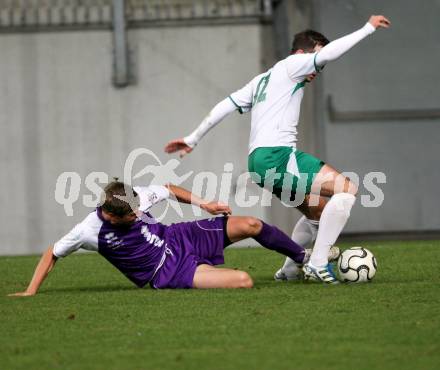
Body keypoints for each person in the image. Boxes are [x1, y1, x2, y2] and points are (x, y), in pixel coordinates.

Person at [164, 15, 390, 284]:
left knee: (316, 211)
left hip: (258, 162)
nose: (319, 68)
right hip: (278, 156)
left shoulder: (263, 79)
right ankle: (317, 263)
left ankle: (290, 270)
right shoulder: (294, 64)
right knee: (347, 190)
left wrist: (193, 137)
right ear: (306, 50)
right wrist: (367, 28)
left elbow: (226, 104)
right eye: (318, 59)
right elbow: (329, 53)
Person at [9, 181, 318, 296]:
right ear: (112, 215)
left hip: (180, 236)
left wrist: (204, 203)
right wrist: (30, 291)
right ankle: (296, 267)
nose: (139, 213)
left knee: (251, 223)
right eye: (132, 215)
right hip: (167, 272)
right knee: (243, 281)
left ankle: (306, 260)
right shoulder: (89, 229)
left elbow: (169, 188)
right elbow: (53, 252)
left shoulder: (133, 198)